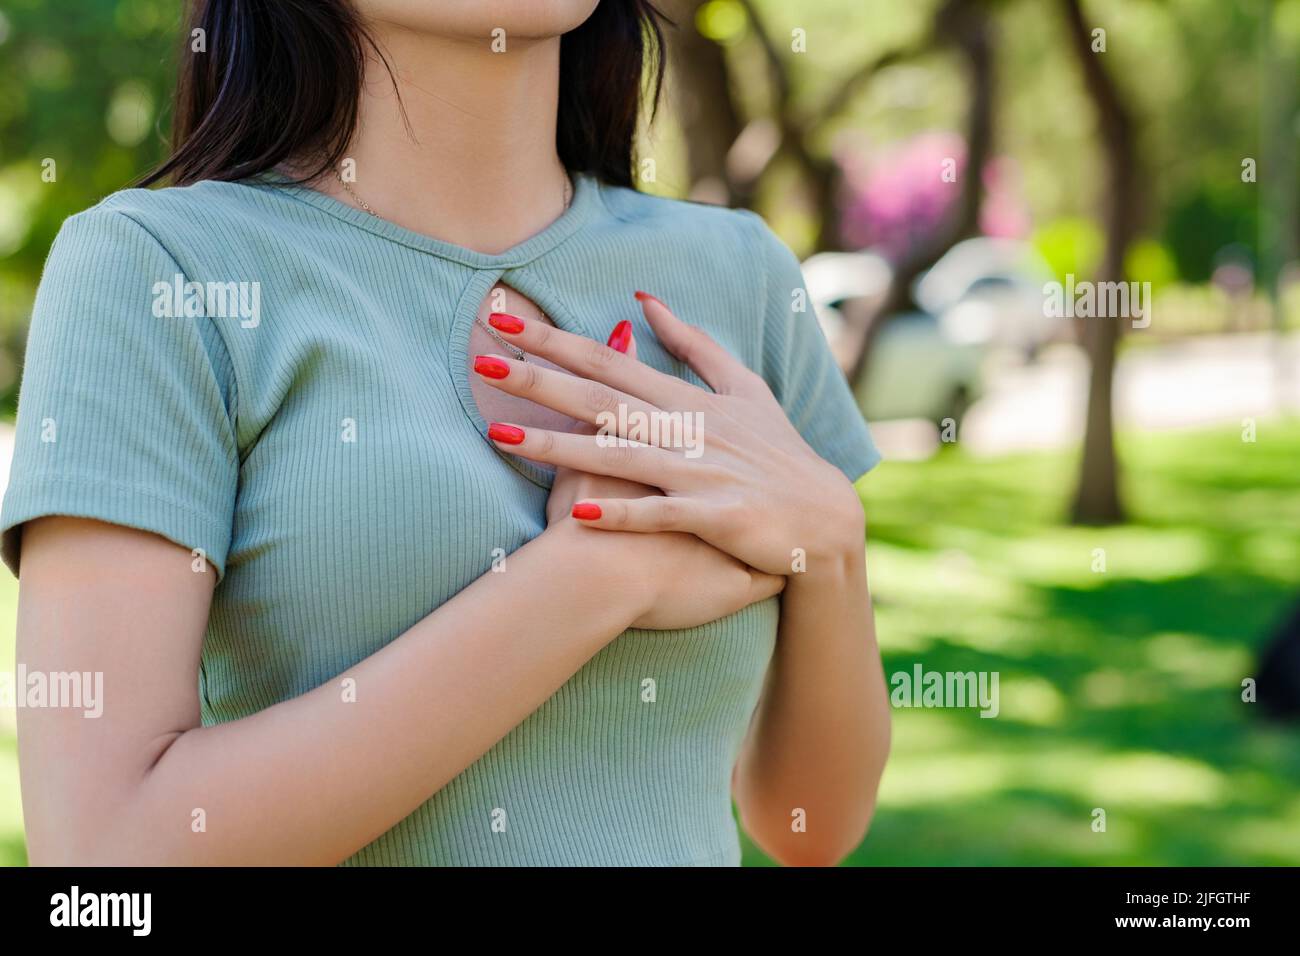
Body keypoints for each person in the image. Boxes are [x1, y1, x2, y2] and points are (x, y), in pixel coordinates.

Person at [3, 0, 890, 866]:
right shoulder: (161, 272)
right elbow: (103, 858)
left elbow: (808, 827)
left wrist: (832, 543)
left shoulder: (739, 270)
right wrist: (594, 574)